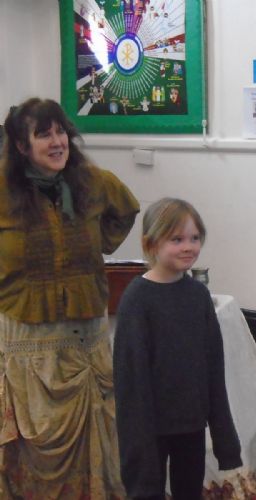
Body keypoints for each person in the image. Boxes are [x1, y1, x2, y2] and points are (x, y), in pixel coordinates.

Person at [0, 97, 140, 499]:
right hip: (25, 337)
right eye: (44, 134)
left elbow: (126, 209)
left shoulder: (93, 182)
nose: (57, 141)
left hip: (84, 338)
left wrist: (99, 244)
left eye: (61, 131)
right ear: (22, 146)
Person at [113, 197, 242, 500]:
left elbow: (213, 367)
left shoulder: (198, 296)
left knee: (189, 490)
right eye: (177, 239)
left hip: (191, 423)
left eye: (194, 238)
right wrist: (138, 450)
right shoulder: (137, 299)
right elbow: (131, 380)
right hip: (150, 427)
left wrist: (225, 440)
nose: (188, 247)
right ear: (151, 243)